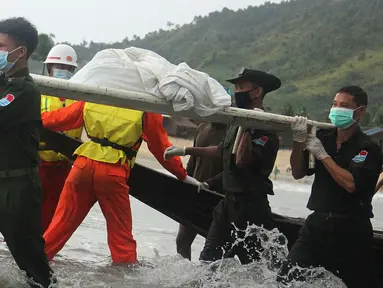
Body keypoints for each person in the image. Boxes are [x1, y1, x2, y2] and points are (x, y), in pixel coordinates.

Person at [40, 100, 198, 264]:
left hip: (81, 167)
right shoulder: (145, 110)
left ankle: (32, 264)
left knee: (58, 227)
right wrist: (182, 175)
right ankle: (123, 278)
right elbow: (161, 148)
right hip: (113, 172)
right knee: (121, 238)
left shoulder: (95, 99)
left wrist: (27, 117)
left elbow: (58, 119)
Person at [165, 68, 281, 264]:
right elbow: (222, 150)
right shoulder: (236, 120)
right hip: (227, 205)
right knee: (208, 262)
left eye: (242, 86)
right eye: (236, 86)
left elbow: (241, 161)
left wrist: (249, 128)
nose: (238, 90)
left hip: (251, 209)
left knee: (252, 268)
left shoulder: (266, 127)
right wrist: (186, 151)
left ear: (257, 91)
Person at [278, 86, 382, 288]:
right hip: (317, 225)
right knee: (285, 280)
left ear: (360, 112)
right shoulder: (323, 136)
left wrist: (323, 155)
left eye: (344, 106)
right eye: (335, 104)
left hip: (351, 229)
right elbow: (298, 173)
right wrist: (299, 142)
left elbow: (351, 184)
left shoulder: (368, 147)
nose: (337, 109)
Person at [0, 17, 55, 287]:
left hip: (17, 188)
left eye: (0, 46)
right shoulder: (5, 83)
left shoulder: (24, 90)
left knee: (32, 264)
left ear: (20, 52)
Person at [39, 43, 82, 233]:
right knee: (26, 216)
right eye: (60, 67)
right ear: (50, 69)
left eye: (67, 68)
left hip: (64, 168)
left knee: (52, 219)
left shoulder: (81, 97)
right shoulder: (37, 93)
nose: (63, 71)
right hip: (37, 164)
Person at [176, 121, 226, 260]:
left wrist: (209, 184)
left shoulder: (232, 131)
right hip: (196, 192)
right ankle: (185, 277)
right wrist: (184, 181)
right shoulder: (203, 126)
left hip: (219, 197)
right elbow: (193, 161)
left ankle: (209, 279)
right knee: (182, 240)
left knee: (212, 247)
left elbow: (231, 170)